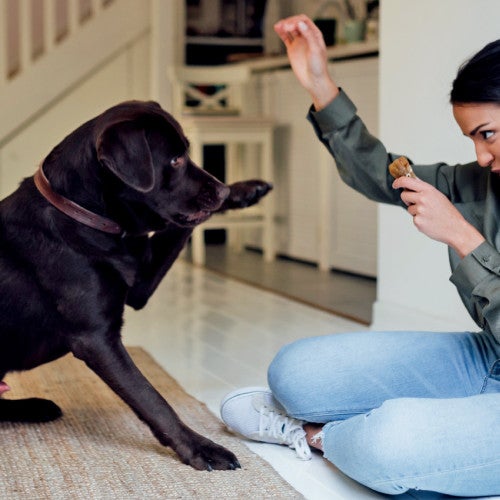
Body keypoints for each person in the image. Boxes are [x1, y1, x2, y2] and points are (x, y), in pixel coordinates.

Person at [219, 14, 500, 498]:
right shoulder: (482, 183)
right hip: (491, 357)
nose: (480, 156)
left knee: (392, 442)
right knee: (298, 372)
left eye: (488, 133)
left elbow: (467, 242)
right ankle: (382, 435)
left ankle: (320, 436)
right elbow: (381, 174)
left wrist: (465, 239)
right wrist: (320, 86)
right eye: (472, 139)